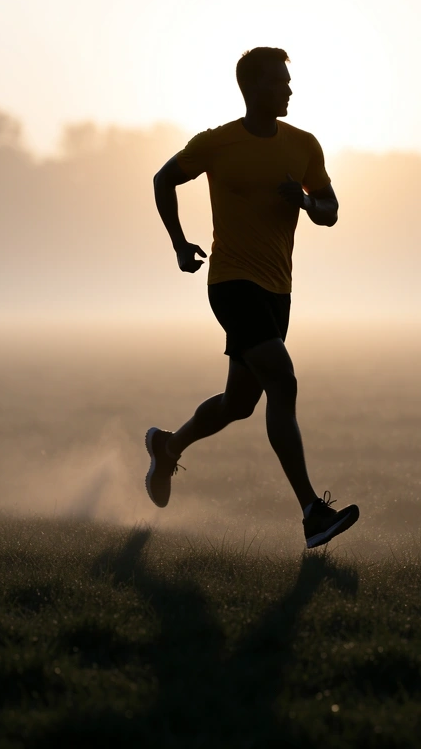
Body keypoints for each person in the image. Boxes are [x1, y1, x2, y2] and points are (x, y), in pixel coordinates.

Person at [147, 47, 359, 549]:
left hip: (277, 292)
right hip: (231, 283)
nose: (288, 90)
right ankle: (312, 512)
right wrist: (179, 244)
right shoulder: (217, 143)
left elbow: (330, 209)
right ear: (253, 89)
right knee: (283, 382)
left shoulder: (305, 146)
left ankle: (167, 446)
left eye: (288, 82)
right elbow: (163, 179)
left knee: (240, 403)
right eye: (279, 82)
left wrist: (306, 201)